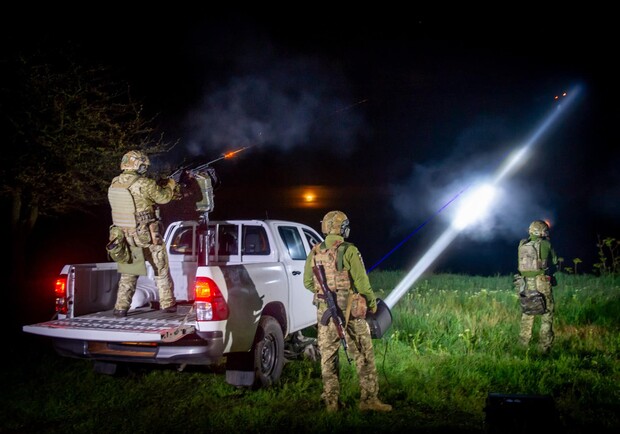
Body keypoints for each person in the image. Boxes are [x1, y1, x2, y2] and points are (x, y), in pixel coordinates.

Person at [303, 210, 392, 413]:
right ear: (341, 228)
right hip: (349, 311)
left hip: (325, 315)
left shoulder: (315, 251)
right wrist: (371, 303)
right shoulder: (348, 250)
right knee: (363, 354)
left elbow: (308, 282)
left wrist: (324, 293)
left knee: (328, 358)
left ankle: (331, 403)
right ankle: (368, 400)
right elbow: (362, 282)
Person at [108, 150, 180, 317]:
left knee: (129, 272)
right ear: (137, 165)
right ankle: (167, 304)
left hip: (123, 234)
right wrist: (170, 184)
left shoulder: (115, 182)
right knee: (160, 267)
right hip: (145, 234)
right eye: (143, 166)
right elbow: (164, 198)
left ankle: (121, 307)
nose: (144, 169)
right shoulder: (145, 183)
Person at [516, 219, 558, 353]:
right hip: (542, 282)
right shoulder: (546, 244)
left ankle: (522, 346)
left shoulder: (522, 244)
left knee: (528, 313)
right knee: (547, 314)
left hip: (525, 283)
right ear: (543, 231)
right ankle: (544, 348)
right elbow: (555, 262)